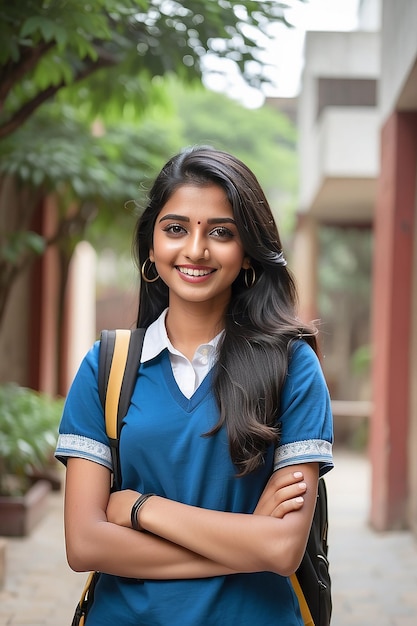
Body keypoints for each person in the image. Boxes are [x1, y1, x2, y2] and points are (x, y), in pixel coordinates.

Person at [55, 146, 333, 625]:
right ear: (151, 245)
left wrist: (141, 508)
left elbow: (284, 548)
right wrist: (248, 543)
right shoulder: (108, 366)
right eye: (176, 228)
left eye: (221, 232)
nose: (196, 249)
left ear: (247, 250)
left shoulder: (292, 367)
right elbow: (84, 544)